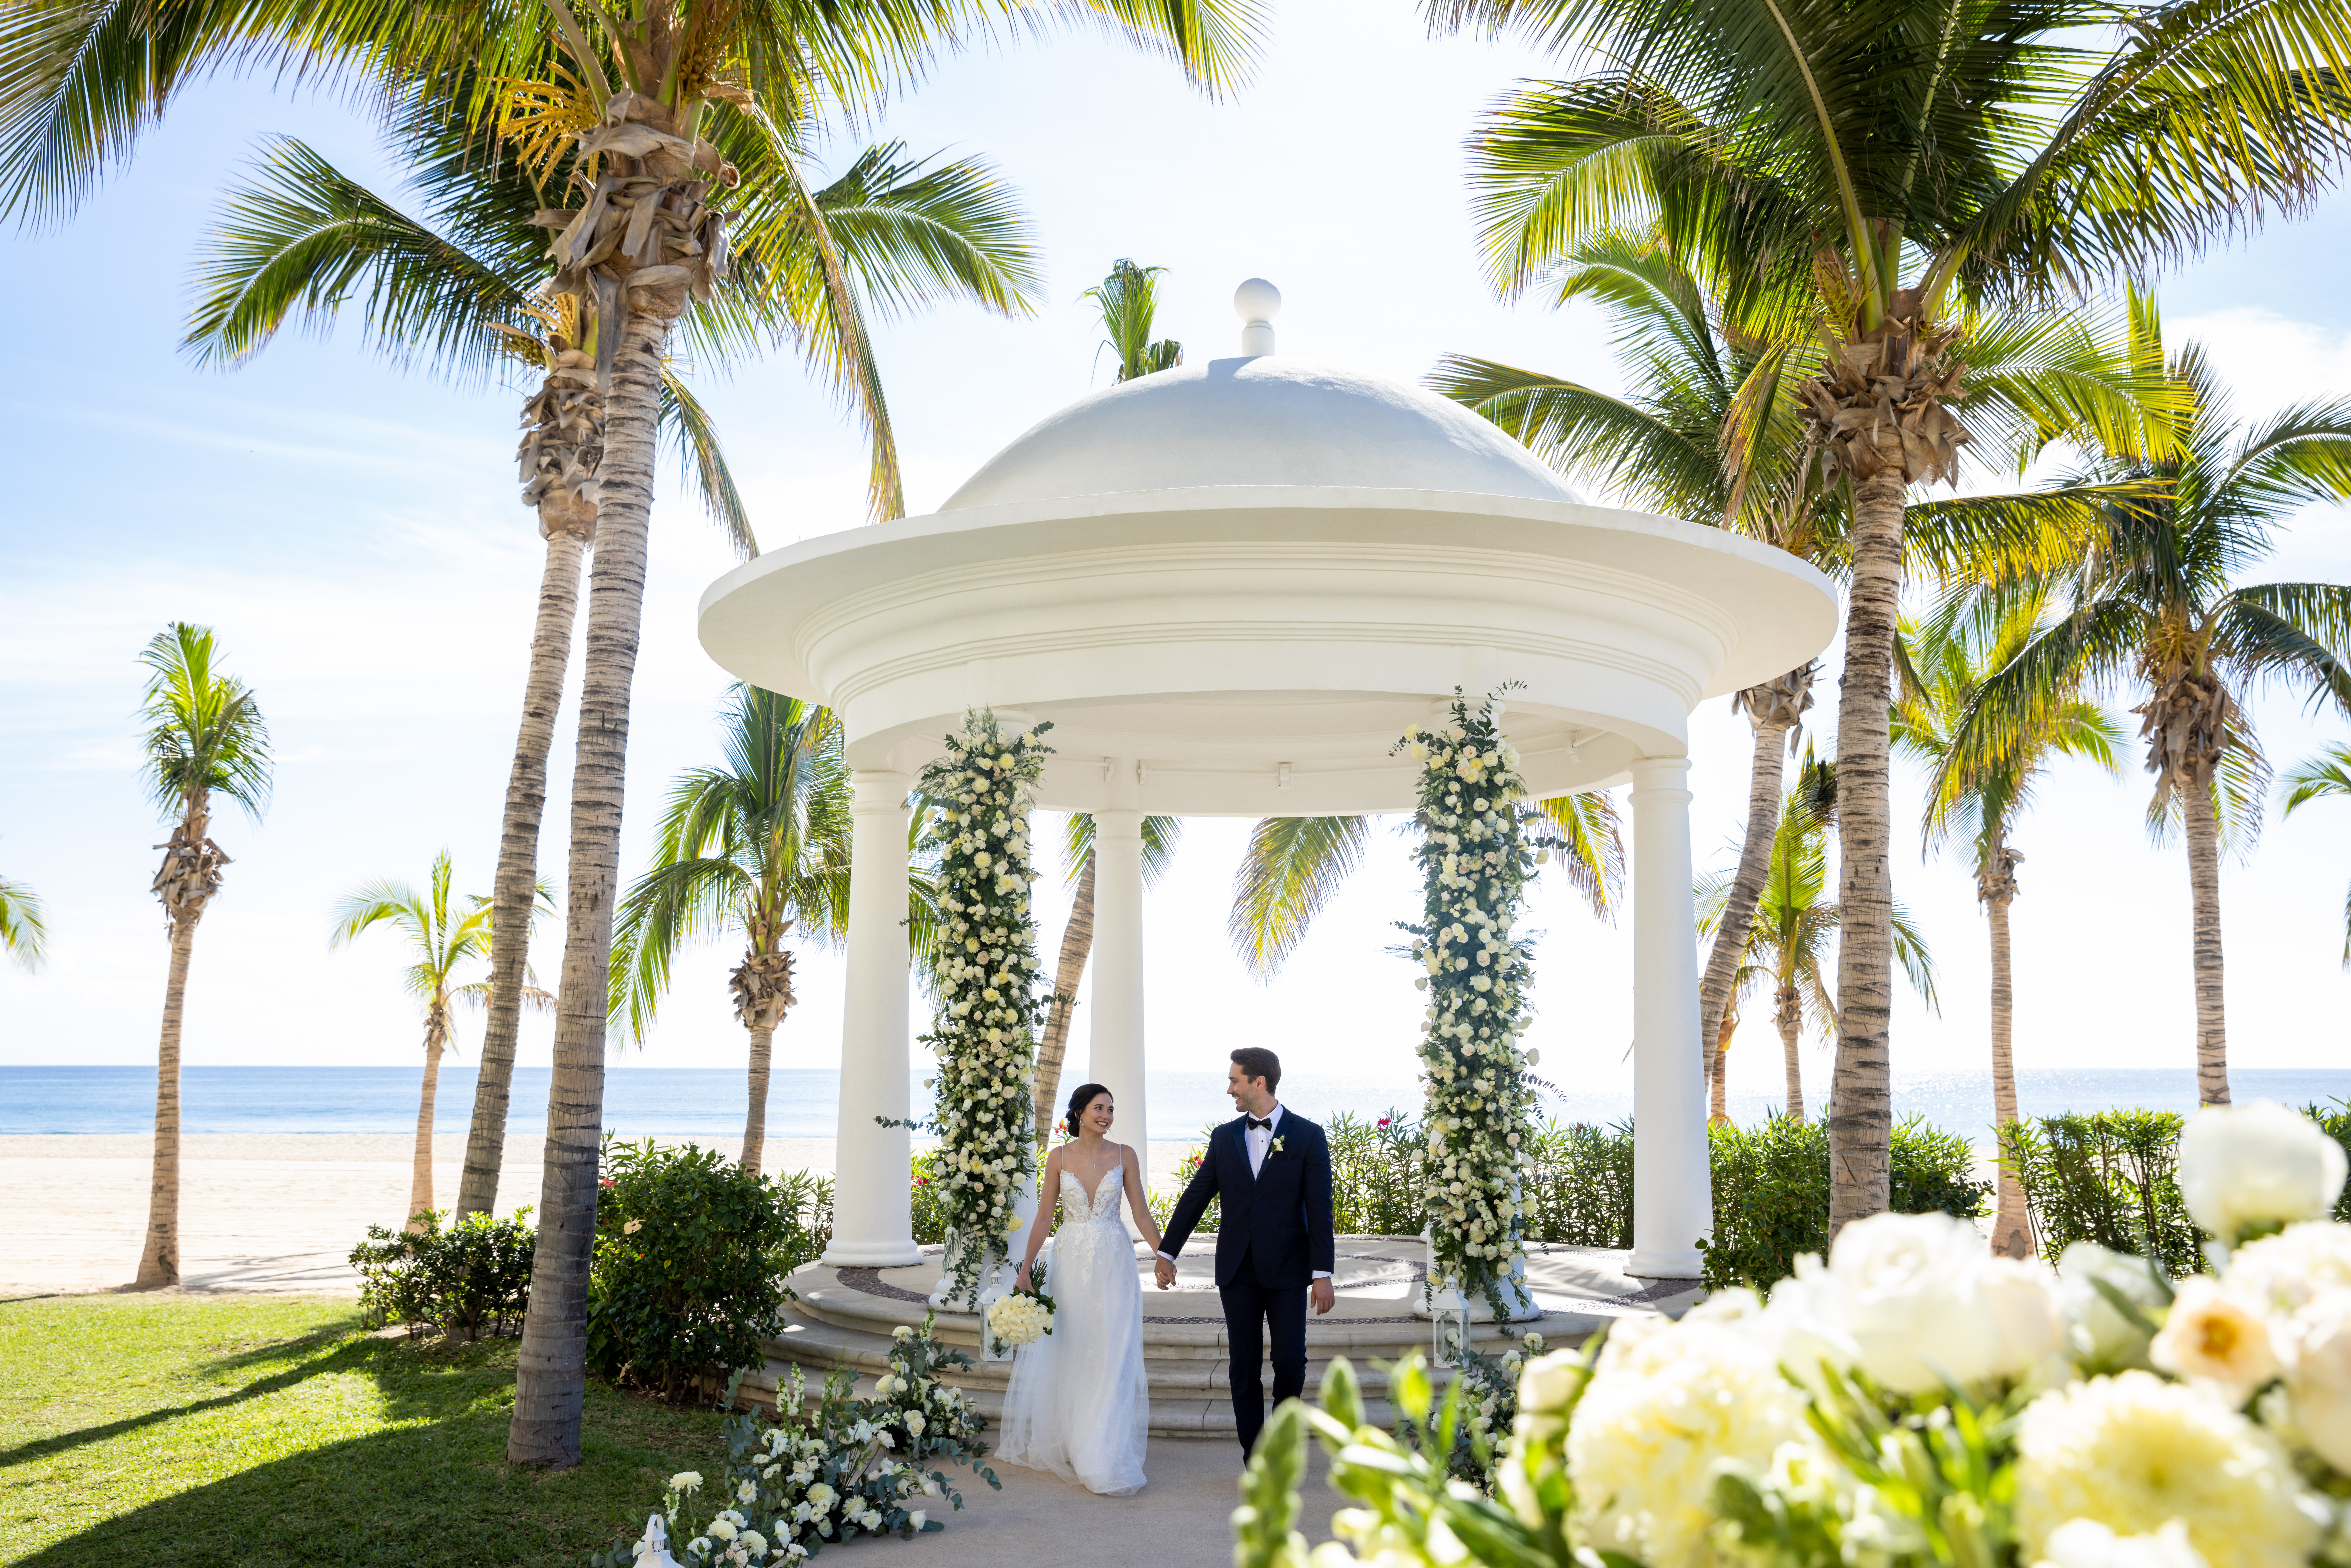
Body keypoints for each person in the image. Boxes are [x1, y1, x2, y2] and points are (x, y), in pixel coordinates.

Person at [1154, 1047, 1336, 1457]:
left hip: (1289, 1269)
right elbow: (1196, 1197)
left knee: (1290, 1362)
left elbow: (1320, 1208)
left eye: (1235, 1080)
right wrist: (1168, 1252)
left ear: (1260, 1082)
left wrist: (1322, 1272)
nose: (1229, 1089)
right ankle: (1256, 1454)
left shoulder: (1308, 1136)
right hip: (1238, 1270)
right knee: (1244, 1366)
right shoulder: (1224, 1137)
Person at [998, 1081, 1159, 1495]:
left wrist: (1165, 1254)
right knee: (1074, 1346)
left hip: (1114, 1260)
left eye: (1111, 1108)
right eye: (1099, 1108)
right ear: (1080, 1112)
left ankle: (1105, 1447)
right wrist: (1026, 1269)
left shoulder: (1126, 1156)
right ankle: (1075, 1437)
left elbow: (1140, 1212)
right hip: (1070, 1261)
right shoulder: (1058, 1158)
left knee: (1112, 1349)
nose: (1106, 1115)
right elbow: (1043, 1217)